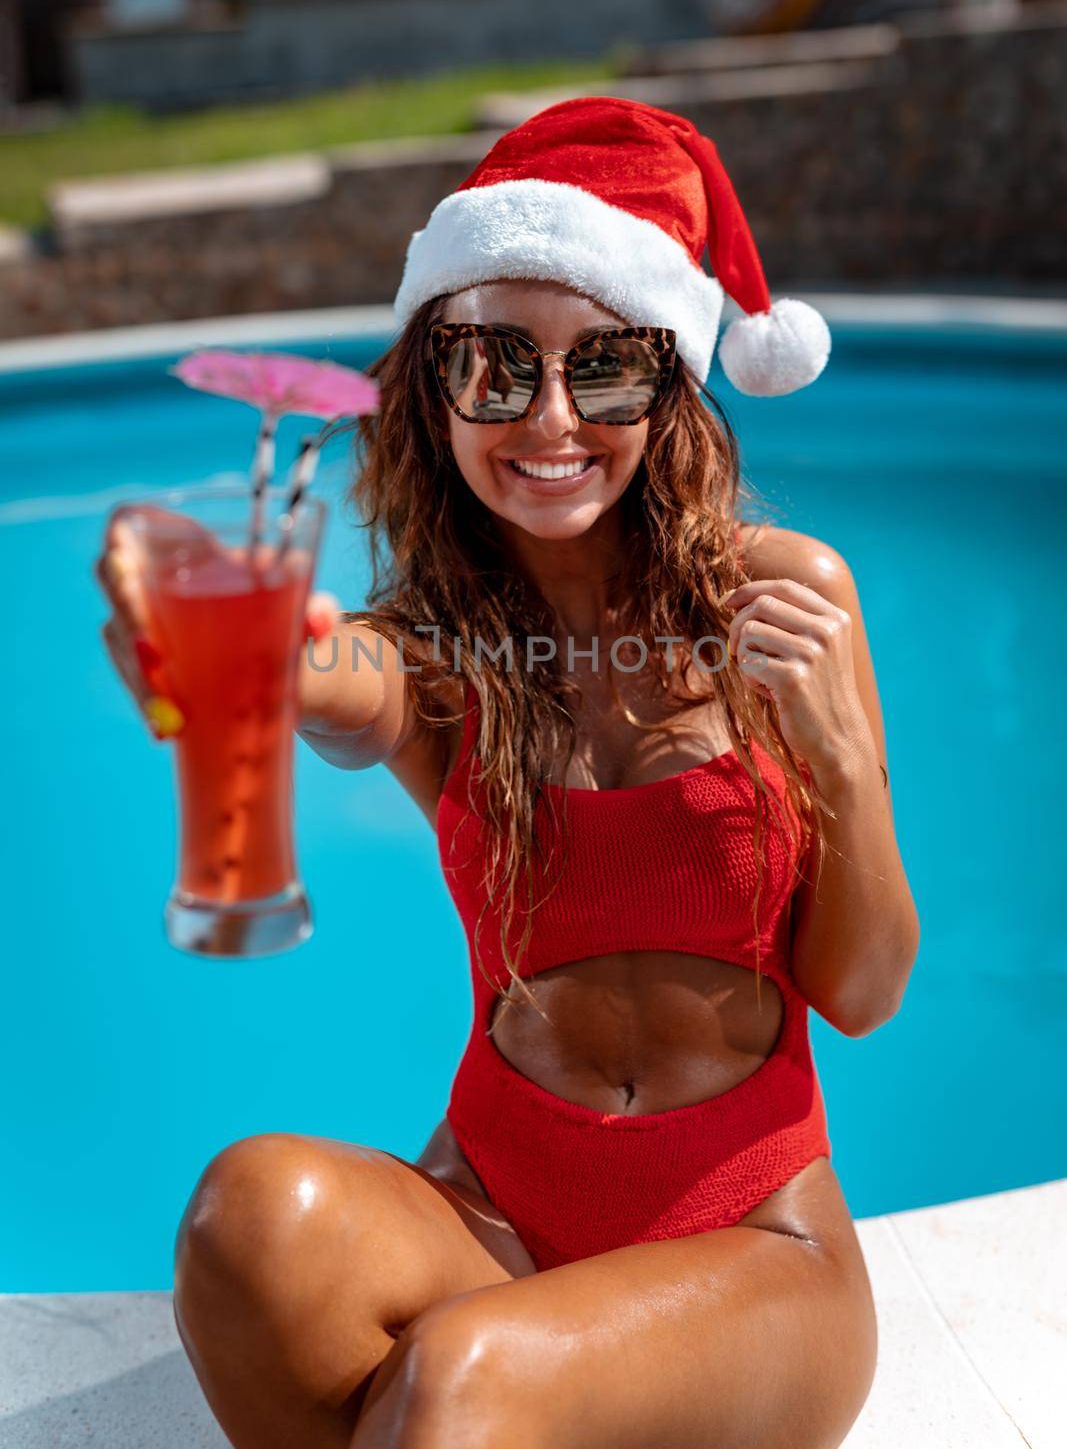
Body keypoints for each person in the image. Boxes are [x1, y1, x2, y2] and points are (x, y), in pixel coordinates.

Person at [96, 96, 919, 1449]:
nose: (550, 417)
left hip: (756, 1238)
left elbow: (868, 991)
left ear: (671, 384)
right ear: (436, 383)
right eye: (495, 365)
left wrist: (837, 752)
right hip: (489, 1207)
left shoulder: (788, 600)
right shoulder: (433, 651)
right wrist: (241, 646)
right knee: (247, 1222)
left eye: (604, 367)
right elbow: (339, 685)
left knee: (461, 1378)